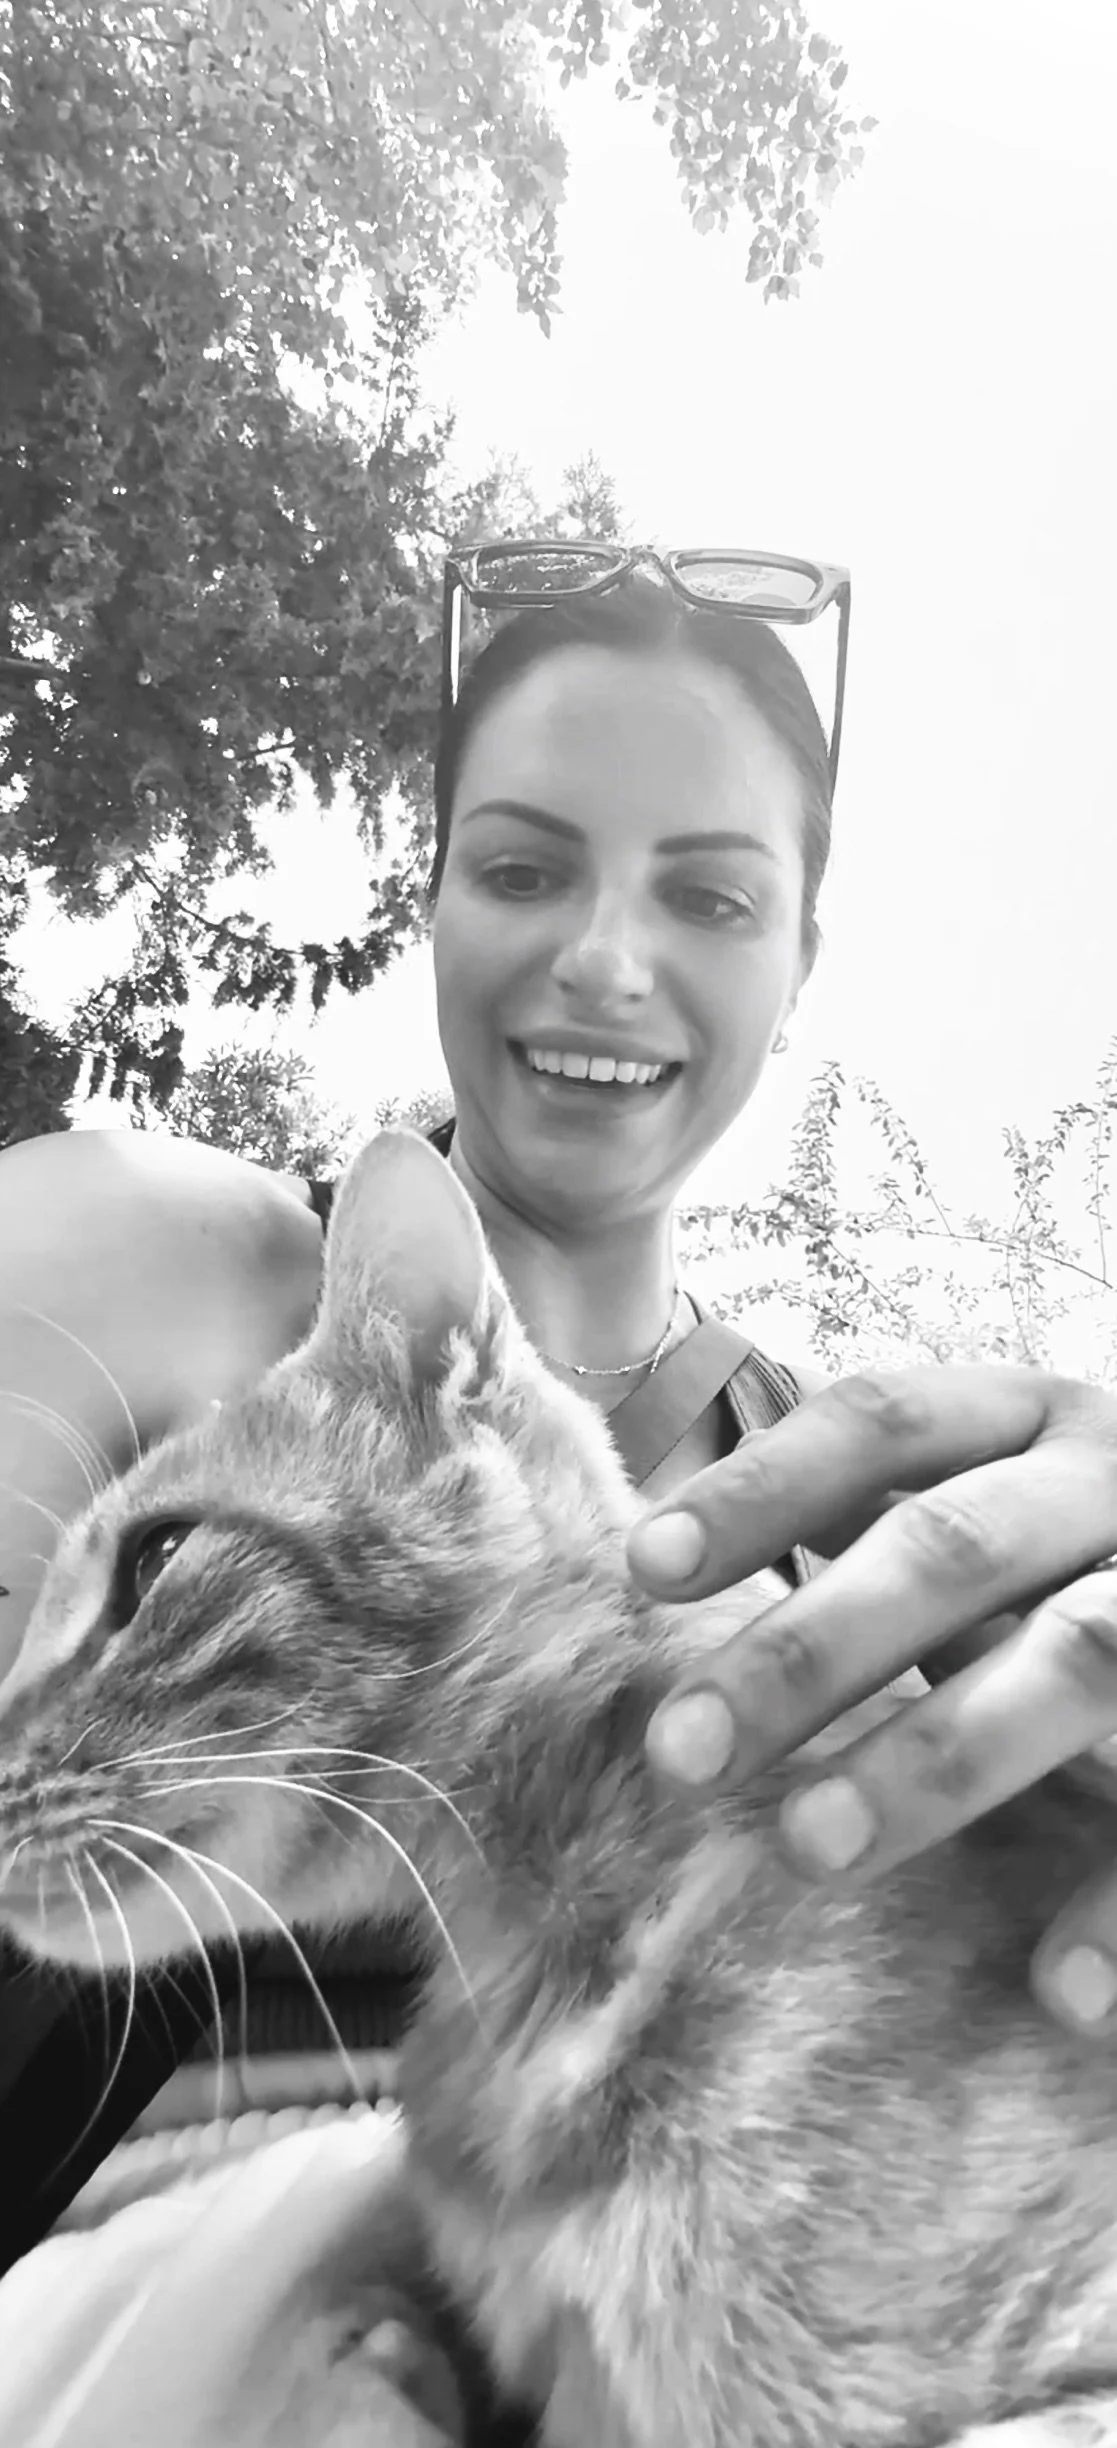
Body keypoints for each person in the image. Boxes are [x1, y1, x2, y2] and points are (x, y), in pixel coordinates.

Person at [4, 555, 1117, 2423]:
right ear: (430, 896)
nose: (606, 957)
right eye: (523, 868)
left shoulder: (875, 1515)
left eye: (710, 894)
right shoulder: (184, 1262)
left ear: (799, 961)